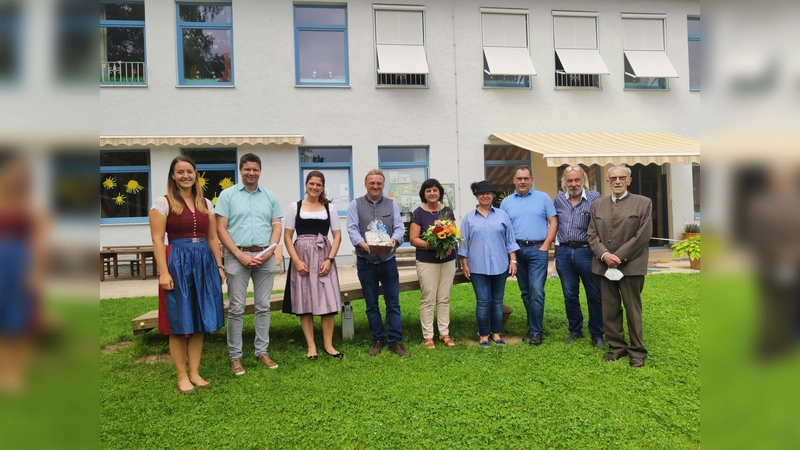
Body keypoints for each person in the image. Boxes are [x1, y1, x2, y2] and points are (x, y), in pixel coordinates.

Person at [149, 156, 225, 394]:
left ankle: (195, 372)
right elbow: (157, 240)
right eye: (180, 172)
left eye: (189, 172)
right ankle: (182, 375)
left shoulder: (205, 203)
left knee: (200, 320)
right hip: (177, 261)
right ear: (173, 175)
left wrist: (219, 267)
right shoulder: (163, 203)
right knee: (179, 321)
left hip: (203, 261)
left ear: (196, 174)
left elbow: (213, 237)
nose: (185, 176)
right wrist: (164, 272)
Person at [216, 153, 283, 375]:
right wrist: (238, 254)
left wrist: (270, 251)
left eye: (255, 169)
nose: (251, 173)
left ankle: (261, 351)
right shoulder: (227, 196)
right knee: (236, 308)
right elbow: (220, 229)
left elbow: (276, 227)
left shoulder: (270, 197)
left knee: (263, 306)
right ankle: (235, 357)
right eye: (247, 169)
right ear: (240, 170)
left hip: (265, 257)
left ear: (260, 171)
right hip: (237, 257)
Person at [588, 165, 653, 368]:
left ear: (629, 180)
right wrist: (605, 255)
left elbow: (642, 235)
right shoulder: (597, 205)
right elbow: (592, 235)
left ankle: (637, 351)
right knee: (610, 308)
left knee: (633, 309)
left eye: (621, 177)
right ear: (607, 181)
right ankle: (616, 347)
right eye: (613, 178)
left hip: (631, 266)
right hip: (604, 265)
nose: (617, 181)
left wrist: (620, 256)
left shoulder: (643, 203)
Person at [346, 169, 409, 357]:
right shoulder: (355, 204)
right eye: (371, 183)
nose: (375, 186)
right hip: (366, 261)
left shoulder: (391, 204)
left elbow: (399, 227)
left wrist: (394, 240)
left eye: (379, 183)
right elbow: (351, 228)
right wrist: (361, 244)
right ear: (366, 184)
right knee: (371, 304)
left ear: (383, 185)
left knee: (393, 303)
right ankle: (377, 339)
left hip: (388, 260)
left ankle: (395, 341)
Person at [282, 171, 343, 360]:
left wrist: (329, 259)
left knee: (329, 300)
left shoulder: (329, 208)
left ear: (323, 187)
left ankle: (328, 345)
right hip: (302, 256)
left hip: (323, 255)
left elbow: (337, 236)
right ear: (306, 184)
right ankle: (311, 346)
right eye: (312, 184)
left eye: (319, 184)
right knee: (304, 300)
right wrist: (297, 261)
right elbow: (287, 236)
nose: (315, 187)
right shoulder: (295, 207)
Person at [0, 152, 45, 394]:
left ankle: (17, 373)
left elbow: (39, 241)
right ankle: (4, 370)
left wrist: (35, 271)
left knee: (19, 321)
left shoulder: (33, 207)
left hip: (20, 265)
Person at [500, 166, 557, 346]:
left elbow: (553, 221)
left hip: (537, 250)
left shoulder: (543, 198)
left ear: (531, 179)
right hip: (516, 251)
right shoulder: (507, 202)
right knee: (526, 292)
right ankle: (533, 327)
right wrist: (510, 255)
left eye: (526, 178)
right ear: (514, 181)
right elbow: (503, 228)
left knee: (537, 291)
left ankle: (536, 332)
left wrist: (546, 245)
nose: (523, 181)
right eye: (519, 178)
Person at [458, 181, 519, 347]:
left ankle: (496, 333)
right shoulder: (469, 218)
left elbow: (510, 240)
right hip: (477, 266)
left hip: (500, 265)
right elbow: (464, 243)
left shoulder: (502, 215)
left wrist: (513, 261)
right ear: (477, 197)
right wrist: (465, 263)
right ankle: (484, 335)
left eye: (488, 193)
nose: (485, 196)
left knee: (497, 301)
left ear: (492, 196)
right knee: (483, 301)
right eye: (481, 194)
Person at [553, 166, 604, 349]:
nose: (573, 184)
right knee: (570, 295)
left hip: (587, 252)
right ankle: (575, 329)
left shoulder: (595, 198)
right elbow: (554, 224)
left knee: (594, 294)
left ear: (583, 180)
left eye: (576, 180)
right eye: (569, 181)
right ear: (564, 182)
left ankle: (597, 333)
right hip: (564, 252)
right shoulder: (558, 199)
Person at [408, 178, 457, 349]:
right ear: (423, 193)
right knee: (428, 298)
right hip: (427, 261)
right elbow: (413, 239)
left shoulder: (448, 212)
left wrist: (450, 244)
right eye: (428, 190)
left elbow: (454, 233)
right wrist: (432, 246)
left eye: (435, 190)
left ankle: (444, 333)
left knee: (444, 298)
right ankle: (428, 336)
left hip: (448, 261)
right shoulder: (419, 213)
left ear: (440, 193)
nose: (432, 193)